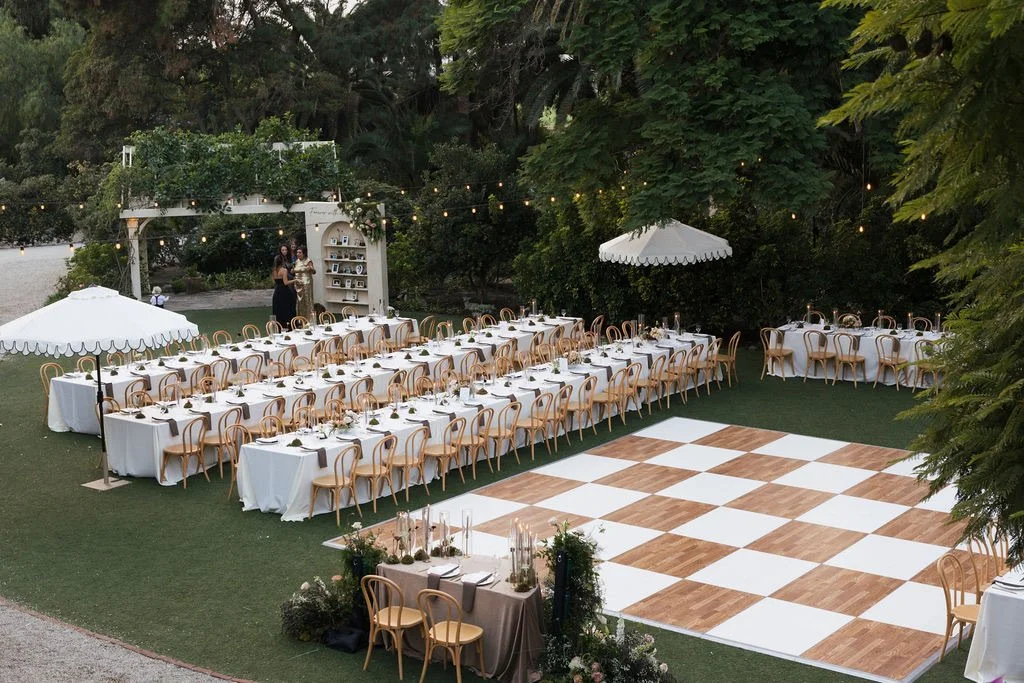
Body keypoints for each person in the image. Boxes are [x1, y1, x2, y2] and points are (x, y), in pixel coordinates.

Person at [271, 254, 297, 329]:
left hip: (277, 291)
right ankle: (289, 326)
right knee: (288, 308)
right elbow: (285, 282)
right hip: (284, 291)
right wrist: (295, 280)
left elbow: (274, 281)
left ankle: (279, 327)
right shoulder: (284, 270)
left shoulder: (274, 271)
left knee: (278, 309)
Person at [292, 245, 317, 322]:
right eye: (297, 252)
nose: (298, 254)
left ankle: (310, 320)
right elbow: (293, 271)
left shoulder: (308, 260)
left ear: (304, 253)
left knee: (307, 301)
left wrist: (310, 268)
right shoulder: (296, 261)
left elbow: (314, 271)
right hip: (297, 283)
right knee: (300, 302)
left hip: (306, 283)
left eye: (300, 252)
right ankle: (300, 320)